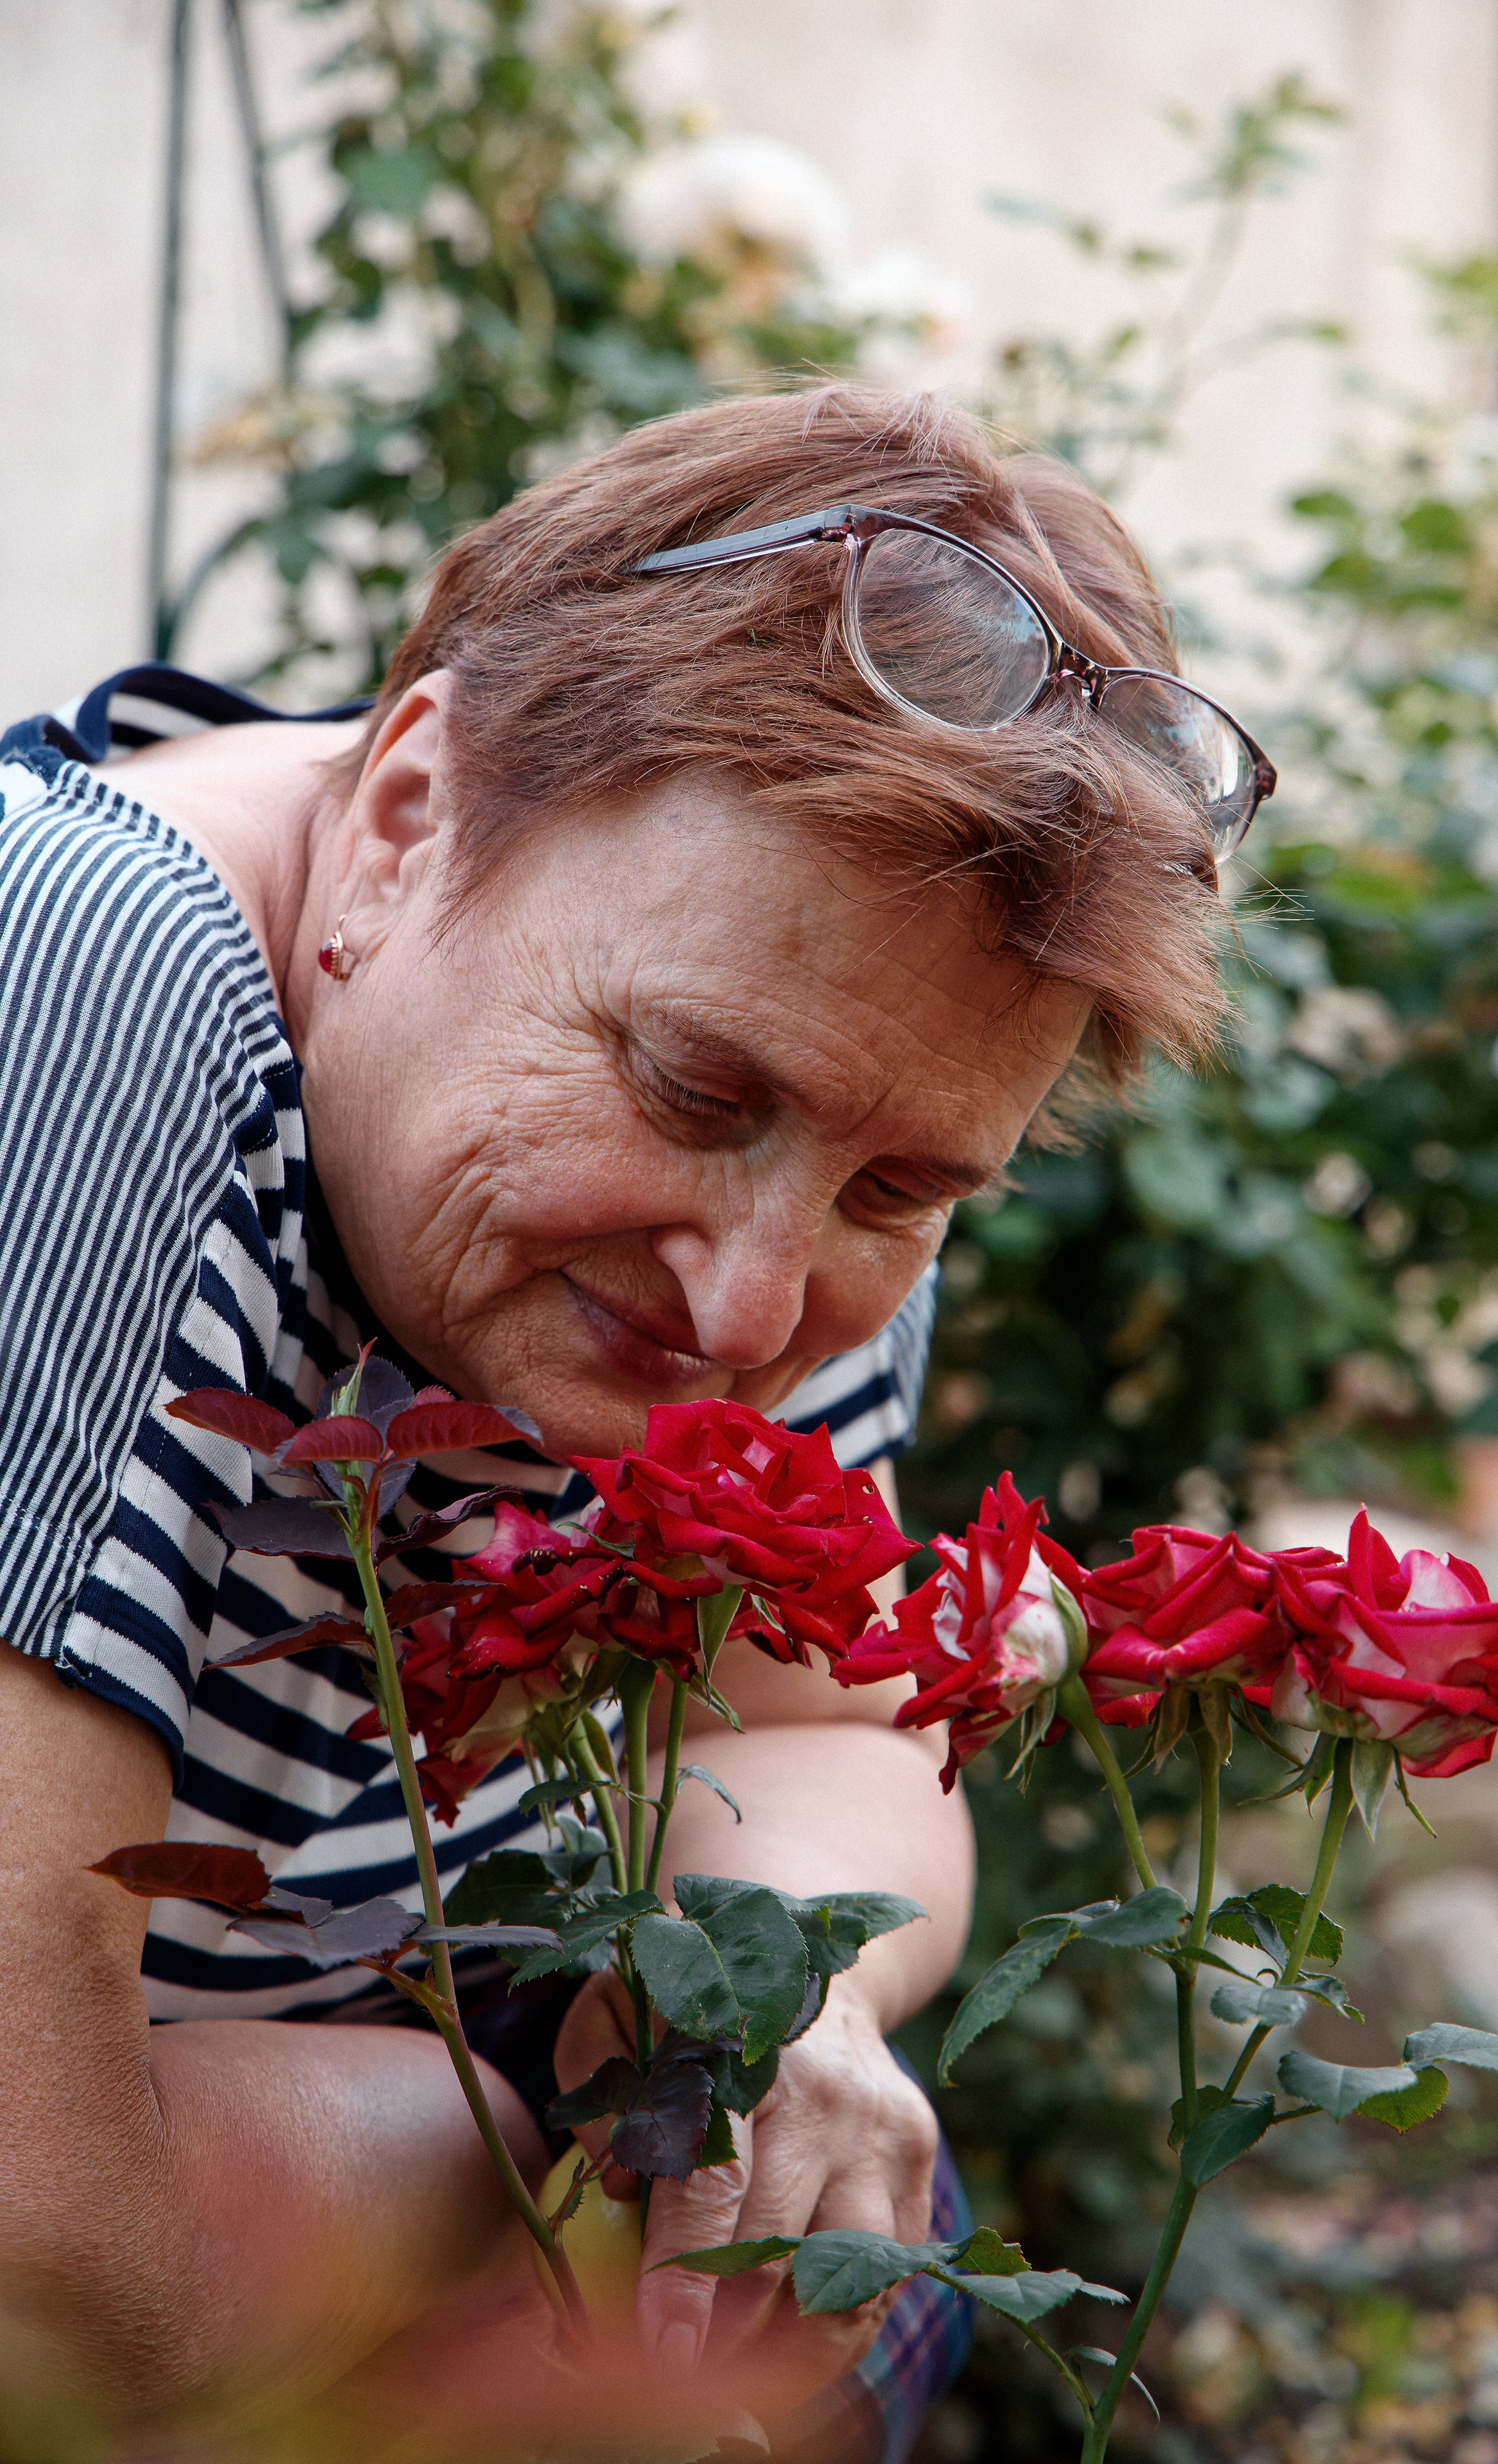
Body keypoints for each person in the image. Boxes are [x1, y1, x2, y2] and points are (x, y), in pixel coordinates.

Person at [0, 386, 1257, 2458]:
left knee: (829, 2215)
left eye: (901, 1193)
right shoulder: (85, 976)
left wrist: (765, 1992)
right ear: (407, 818)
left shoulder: (822, 1075)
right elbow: (40, 2258)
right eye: (687, 1091)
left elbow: (822, 1731)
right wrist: (528, 2137)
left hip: (297, 2127)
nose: (753, 1307)